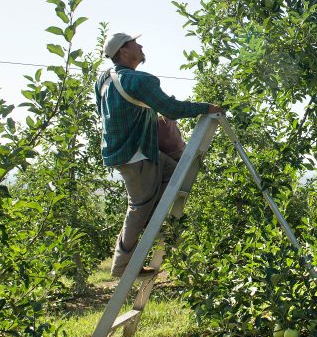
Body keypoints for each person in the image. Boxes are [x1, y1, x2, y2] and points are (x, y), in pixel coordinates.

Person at [95, 32, 223, 278]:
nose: (141, 45)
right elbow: (171, 108)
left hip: (129, 151)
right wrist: (206, 108)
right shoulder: (139, 81)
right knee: (138, 207)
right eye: (135, 43)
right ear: (123, 51)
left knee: (177, 173)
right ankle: (121, 265)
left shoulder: (103, 80)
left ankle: (156, 215)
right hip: (136, 155)